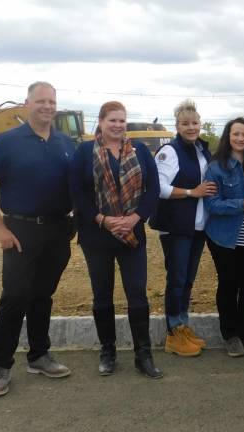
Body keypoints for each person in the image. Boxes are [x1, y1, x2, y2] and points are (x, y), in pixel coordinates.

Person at [0, 81, 74, 397]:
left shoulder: (65, 142)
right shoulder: (8, 142)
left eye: (51, 101)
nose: (47, 106)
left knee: (43, 295)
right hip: (20, 230)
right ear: (26, 104)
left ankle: (39, 355)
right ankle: (0, 367)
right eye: (40, 101)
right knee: (15, 296)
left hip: (58, 230)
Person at [69, 101, 162, 378]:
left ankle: (142, 354)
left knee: (137, 295)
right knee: (102, 295)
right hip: (96, 235)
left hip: (132, 235)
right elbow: (77, 194)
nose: (118, 125)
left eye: (122, 120)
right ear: (100, 122)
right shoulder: (84, 152)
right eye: (112, 120)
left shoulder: (141, 151)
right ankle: (108, 351)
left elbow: (153, 189)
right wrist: (103, 220)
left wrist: (135, 219)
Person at [149, 99, 215, 357]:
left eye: (195, 123)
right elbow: (159, 187)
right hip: (176, 227)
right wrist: (192, 192)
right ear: (177, 126)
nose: (191, 127)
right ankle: (173, 333)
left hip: (197, 226)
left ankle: (182, 326)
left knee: (187, 280)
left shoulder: (201, 151)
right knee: (176, 280)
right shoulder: (170, 152)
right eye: (185, 124)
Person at [203, 117, 244, 357]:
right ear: (228, 137)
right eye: (236, 134)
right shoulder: (216, 167)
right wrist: (243, 204)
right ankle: (230, 335)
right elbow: (212, 204)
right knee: (229, 284)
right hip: (225, 238)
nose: (241, 138)